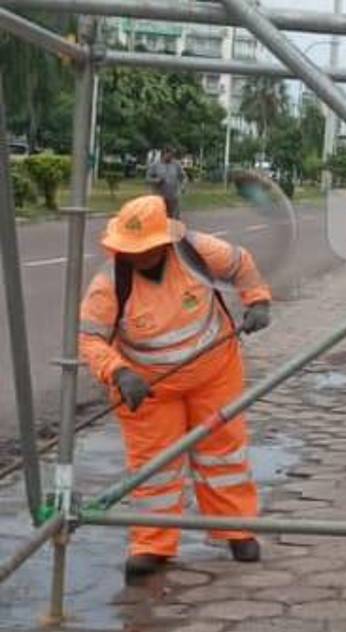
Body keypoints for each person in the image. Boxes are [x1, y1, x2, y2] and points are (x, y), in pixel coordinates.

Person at [79, 195, 272, 578]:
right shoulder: (109, 284)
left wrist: (258, 300)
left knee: (223, 453)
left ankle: (236, 530)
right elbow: (89, 339)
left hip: (215, 372)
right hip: (147, 387)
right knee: (155, 466)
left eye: (145, 249)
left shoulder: (198, 252)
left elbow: (242, 264)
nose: (137, 257)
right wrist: (118, 372)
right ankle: (152, 544)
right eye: (129, 250)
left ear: (165, 242)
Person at [146, 147, 187, 219]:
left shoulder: (176, 165)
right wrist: (156, 180)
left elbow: (184, 177)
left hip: (173, 196)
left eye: (172, 156)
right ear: (164, 154)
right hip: (159, 196)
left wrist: (183, 186)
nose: (171, 157)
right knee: (161, 217)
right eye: (169, 155)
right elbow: (148, 178)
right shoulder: (155, 165)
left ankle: (174, 228)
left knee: (174, 217)